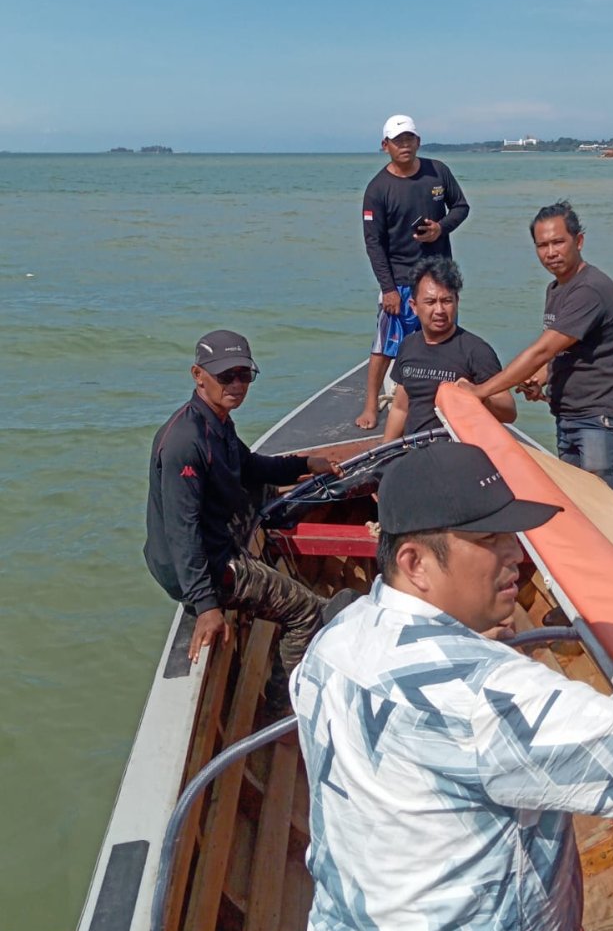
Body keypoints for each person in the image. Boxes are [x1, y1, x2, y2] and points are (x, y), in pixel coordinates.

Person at [291, 440, 613, 931]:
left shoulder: (336, 641)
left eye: (513, 533)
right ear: (415, 563)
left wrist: (468, 638)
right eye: (490, 538)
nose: (516, 554)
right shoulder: (483, 696)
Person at [144, 329, 343, 712]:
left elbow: (250, 467)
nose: (236, 384)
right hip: (203, 567)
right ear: (197, 375)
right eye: (225, 376)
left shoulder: (216, 422)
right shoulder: (186, 442)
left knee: (269, 492)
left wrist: (305, 464)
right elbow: (181, 532)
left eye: (244, 374)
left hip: (213, 538)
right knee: (306, 611)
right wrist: (206, 605)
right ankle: (281, 709)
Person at [462, 200, 613, 492]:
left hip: (601, 418)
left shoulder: (590, 289)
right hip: (569, 415)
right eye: (542, 245)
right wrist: (541, 378)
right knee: (576, 507)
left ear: (579, 241)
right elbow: (559, 352)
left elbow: (542, 350)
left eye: (558, 242)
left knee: (598, 510)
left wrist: (481, 391)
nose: (551, 252)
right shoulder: (556, 289)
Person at [356, 113, 470, 430]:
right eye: (397, 140)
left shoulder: (438, 172)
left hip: (438, 277)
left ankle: (441, 402)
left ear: (418, 141)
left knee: (443, 340)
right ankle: (370, 404)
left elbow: (461, 206)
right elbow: (373, 243)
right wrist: (388, 288)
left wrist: (441, 228)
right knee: (385, 346)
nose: (404, 145)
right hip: (401, 280)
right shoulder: (378, 189)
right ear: (385, 145)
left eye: (409, 139)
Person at [383, 255, 516, 441]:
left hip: (457, 454)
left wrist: (478, 397)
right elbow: (400, 408)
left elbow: (509, 413)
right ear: (414, 307)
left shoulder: (476, 351)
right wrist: (383, 454)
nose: (439, 310)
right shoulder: (408, 345)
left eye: (446, 301)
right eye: (430, 302)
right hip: (415, 452)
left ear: (457, 301)